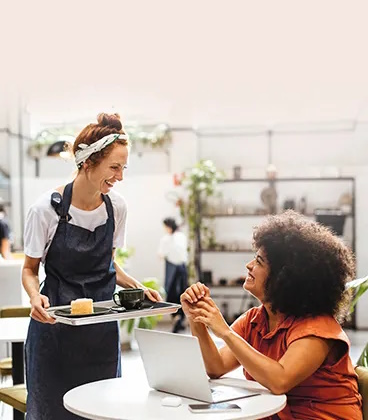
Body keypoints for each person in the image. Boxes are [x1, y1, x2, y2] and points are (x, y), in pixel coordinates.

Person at [22, 113, 162, 420]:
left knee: (102, 411)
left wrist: (136, 286)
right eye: (114, 167)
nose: (120, 176)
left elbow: (108, 264)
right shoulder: (46, 208)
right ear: (87, 162)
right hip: (55, 329)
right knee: (52, 412)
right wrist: (35, 297)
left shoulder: (117, 207)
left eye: (124, 168)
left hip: (100, 333)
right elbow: (30, 269)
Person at [181, 211, 362, 420]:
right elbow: (216, 367)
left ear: (284, 277)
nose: (249, 266)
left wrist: (224, 332)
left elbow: (280, 380)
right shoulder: (255, 320)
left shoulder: (318, 328)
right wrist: (197, 319)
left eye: (259, 261)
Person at [158, 217, 188, 332]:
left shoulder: (166, 239)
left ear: (168, 227)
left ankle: (176, 318)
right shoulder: (182, 237)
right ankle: (180, 319)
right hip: (183, 268)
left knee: (170, 293)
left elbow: (161, 255)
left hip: (172, 269)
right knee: (182, 293)